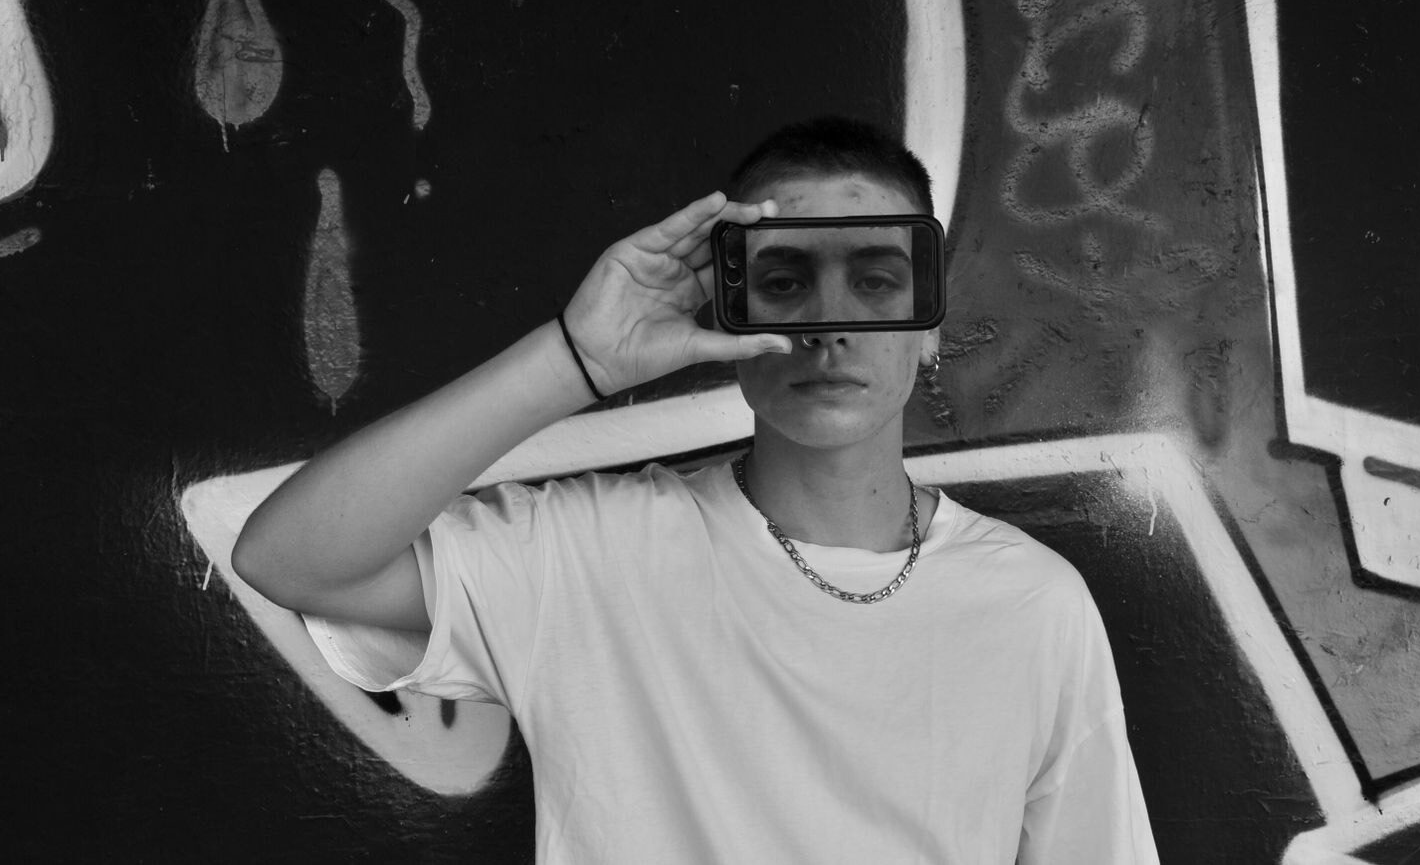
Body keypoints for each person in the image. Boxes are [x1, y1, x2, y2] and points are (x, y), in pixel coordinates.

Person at [233, 116, 1159, 864]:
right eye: (783, 281)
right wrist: (576, 359)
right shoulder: (591, 555)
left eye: (877, 281)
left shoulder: (1032, 606)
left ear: (930, 327)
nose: (828, 327)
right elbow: (290, 557)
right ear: (727, 310)